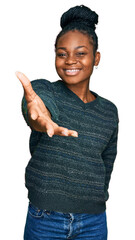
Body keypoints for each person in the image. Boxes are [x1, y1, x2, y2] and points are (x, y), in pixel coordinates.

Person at [16, 5, 119, 240]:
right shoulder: (45, 89)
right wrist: (40, 118)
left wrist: (97, 198)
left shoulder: (109, 111)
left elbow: (107, 161)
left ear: (96, 58)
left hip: (93, 221)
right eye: (62, 53)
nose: (70, 60)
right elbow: (37, 107)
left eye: (80, 53)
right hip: (46, 217)